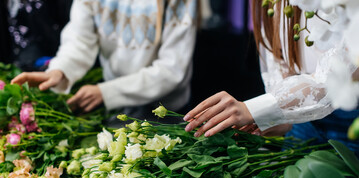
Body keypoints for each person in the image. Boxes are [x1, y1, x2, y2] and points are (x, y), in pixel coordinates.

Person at [183, 1, 359, 153]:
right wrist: (275, 117)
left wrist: (257, 108)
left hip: (351, 124)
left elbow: (341, 72)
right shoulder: (270, 4)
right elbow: (279, 58)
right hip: (303, 126)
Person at [11, 0, 197, 125]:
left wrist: (106, 92)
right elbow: (80, 40)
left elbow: (172, 69)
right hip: (116, 105)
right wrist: (59, 70)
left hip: (167, 112)